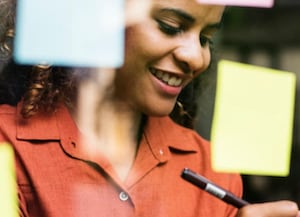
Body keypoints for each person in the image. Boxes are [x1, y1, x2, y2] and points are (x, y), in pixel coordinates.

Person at [0, 0, 299, 216]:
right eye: (170, 27)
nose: (196, 58)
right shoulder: (8, 148)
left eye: (205, 38)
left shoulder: (211, 169)